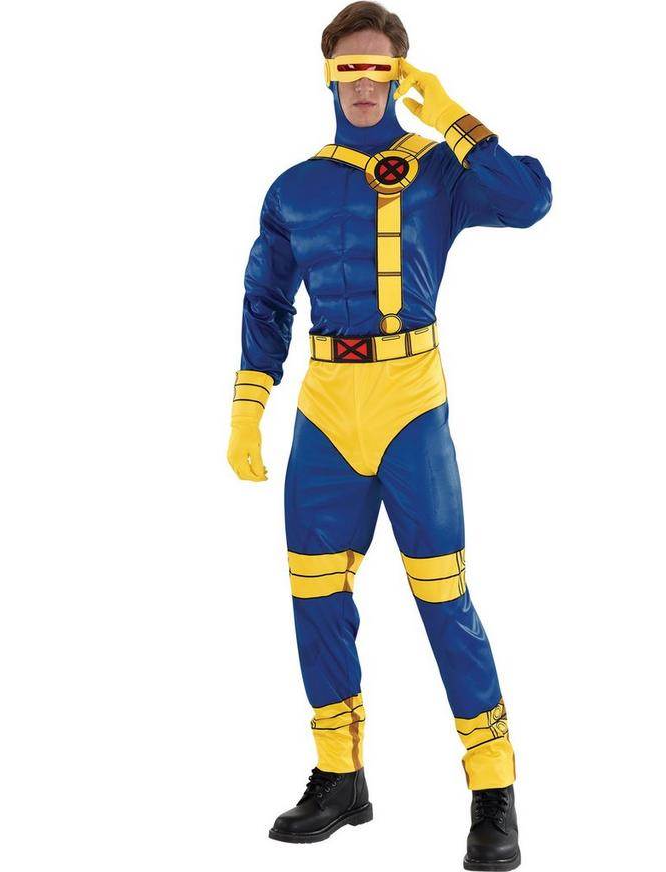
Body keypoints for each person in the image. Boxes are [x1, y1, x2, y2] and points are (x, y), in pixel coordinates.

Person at [227, 3, 551, 868]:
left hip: (411, 403)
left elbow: (530, 201)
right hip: (326, 407)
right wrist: (249, 404)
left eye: (382, 68)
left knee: (444, 596)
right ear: (327, 75)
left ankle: (492, 788)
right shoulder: (293, 186)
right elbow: (265, 299)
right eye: (350, 68)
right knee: (315, 597)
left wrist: (448, 113)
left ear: (401, 75)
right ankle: (340, 777)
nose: (365, 83)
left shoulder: (441, 169)